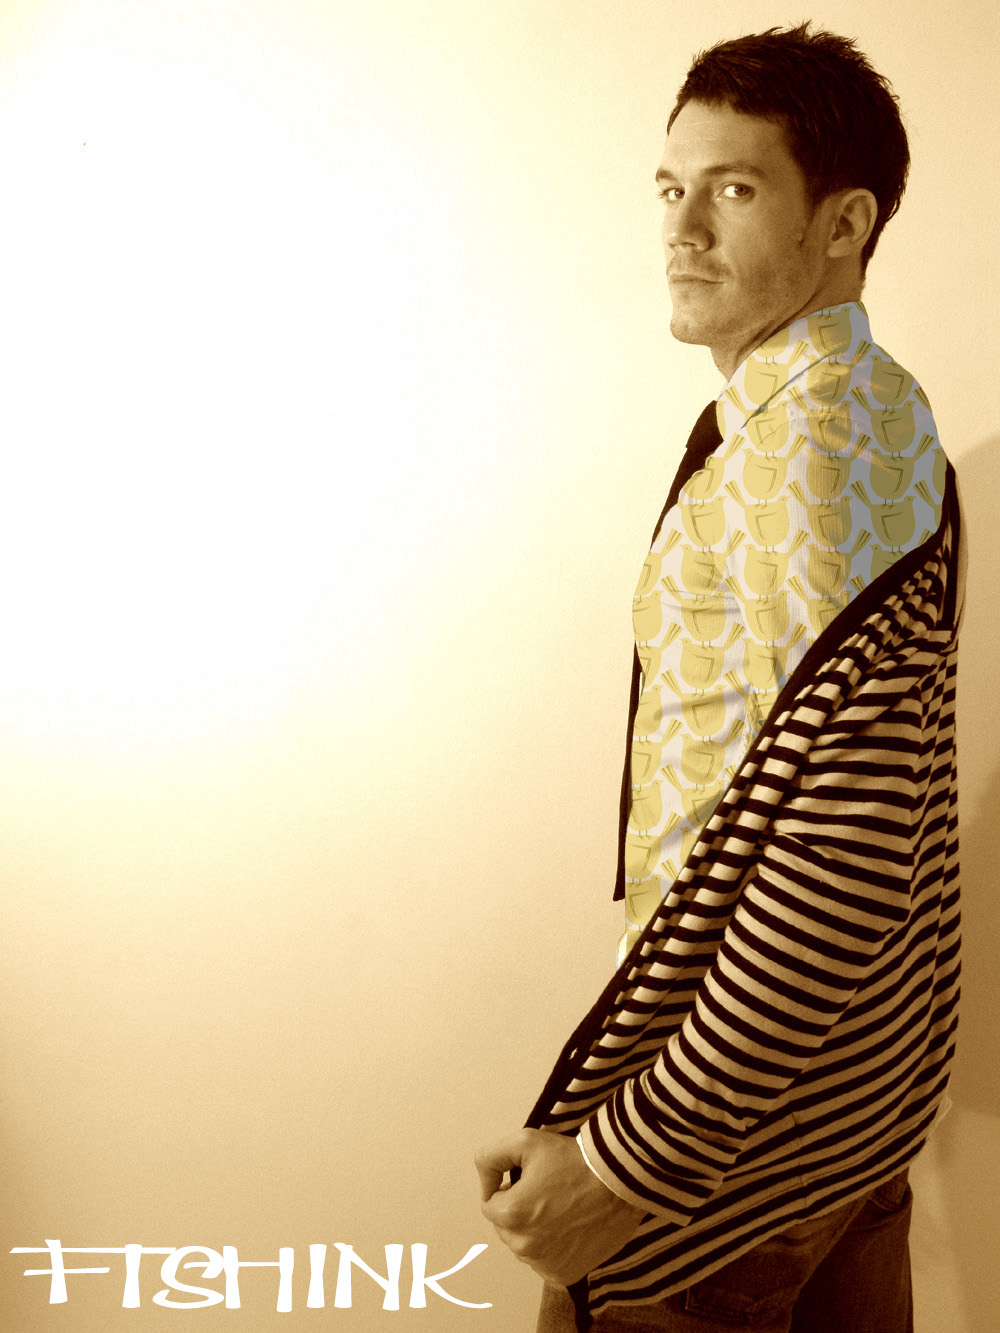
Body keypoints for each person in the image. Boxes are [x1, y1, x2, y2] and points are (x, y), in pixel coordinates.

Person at [474, 23, 961, 1333]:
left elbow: (845, 847)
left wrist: (628, 1166)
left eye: (733, 189)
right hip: (844, 1108)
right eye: (669, 188)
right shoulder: (875, 402)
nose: (680, 230)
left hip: (730, 1170)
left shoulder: (807, 448)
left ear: (844, 222)